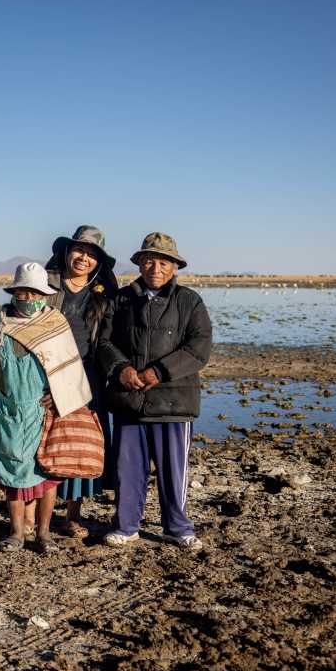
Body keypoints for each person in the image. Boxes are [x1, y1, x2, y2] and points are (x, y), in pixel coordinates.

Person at [98, 233, 212, 551]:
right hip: (129, 400)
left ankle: (177, 527)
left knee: (173, 471)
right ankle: (126, 525)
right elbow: (104, 343)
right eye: (149, 260)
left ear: (174, 266)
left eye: (163, 261)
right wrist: (122, 369)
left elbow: (199, 347)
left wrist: (159, 372)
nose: (156, 267)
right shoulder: (120, 300)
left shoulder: (190, 302)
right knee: (127, 469)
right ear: (139, 263)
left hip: (174, 402)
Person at [0, 262, 92, 554]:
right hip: (8, 409)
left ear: (44, 294)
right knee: (12, 470)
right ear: (14, 292)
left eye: (34, 293)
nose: (27, 299)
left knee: (47, 472)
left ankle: (44, 534)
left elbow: (70, 368)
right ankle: (16, 532)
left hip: (43, 411)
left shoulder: (55, 322)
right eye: (22, 293)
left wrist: (59, 395)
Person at [43, 226, 119, 537]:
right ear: (66, 252)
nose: (83, 258)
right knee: (43, 440)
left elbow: (106, 341)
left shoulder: (103, 296)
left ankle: (73, 514)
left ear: (98, 261)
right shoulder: (47, 286)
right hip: (45, 373)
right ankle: (38, 512)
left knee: (80, 444)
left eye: (91, 254)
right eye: (79, 250)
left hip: (87, 379)